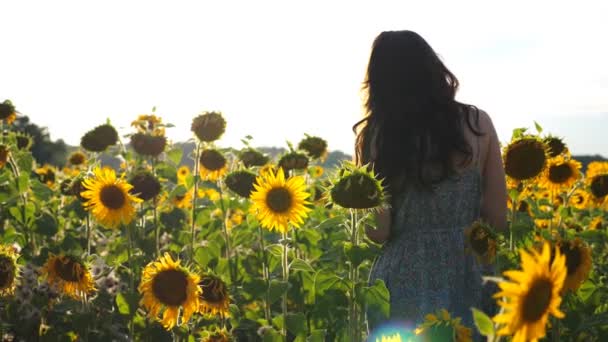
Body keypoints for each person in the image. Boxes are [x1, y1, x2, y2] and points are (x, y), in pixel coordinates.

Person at [354, 30, 507, 335]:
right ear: (433, 69)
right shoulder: (478, 125)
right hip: (468, 268)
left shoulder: (374, 137)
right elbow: (497, 219)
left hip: (403, 274)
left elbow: (378, 231)